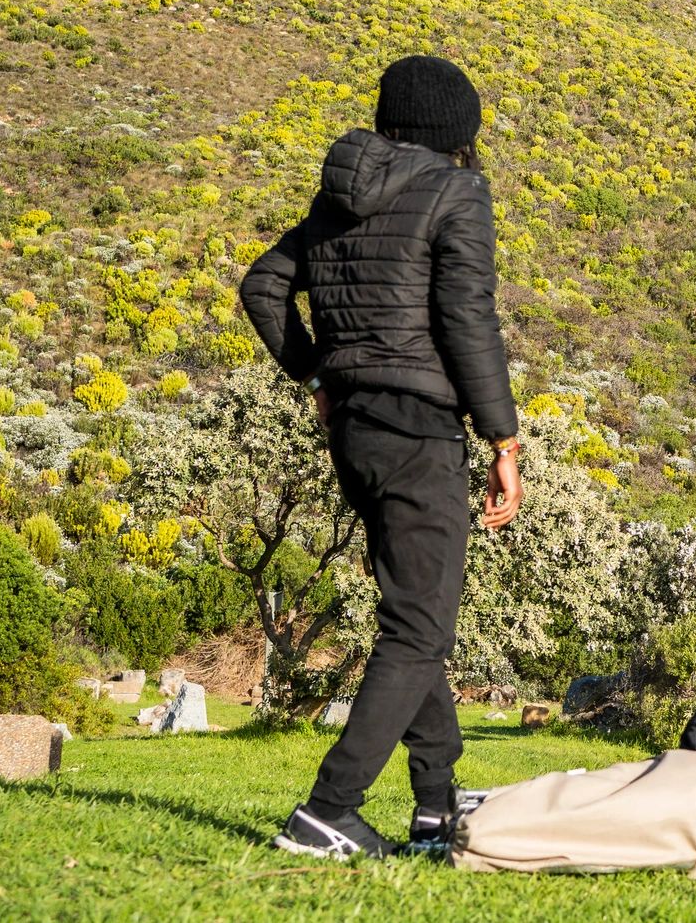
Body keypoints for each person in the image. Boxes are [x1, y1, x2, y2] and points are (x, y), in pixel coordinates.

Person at [241, 54, 523, 859]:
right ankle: (328, 809)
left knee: (411, 617)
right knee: (422, 627)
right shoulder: (456, 190)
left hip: (355, 428)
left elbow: (263, 286)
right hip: (418, 423)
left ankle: (435, 802)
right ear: (456, 132)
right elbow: (468, 321)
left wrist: (320, 371)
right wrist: (503, 439)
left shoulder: (336, 195)